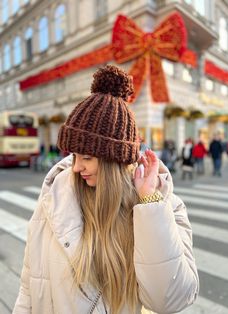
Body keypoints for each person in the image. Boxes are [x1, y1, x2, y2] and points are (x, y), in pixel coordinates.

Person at [13, 65, 199, 314]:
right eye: (74, 155)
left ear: (115, 161)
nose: (76, 167)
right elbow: (28, 286)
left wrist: (150, 203)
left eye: (87, 157)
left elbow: (170, 300)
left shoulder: (163, 205)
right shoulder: (54, 197)